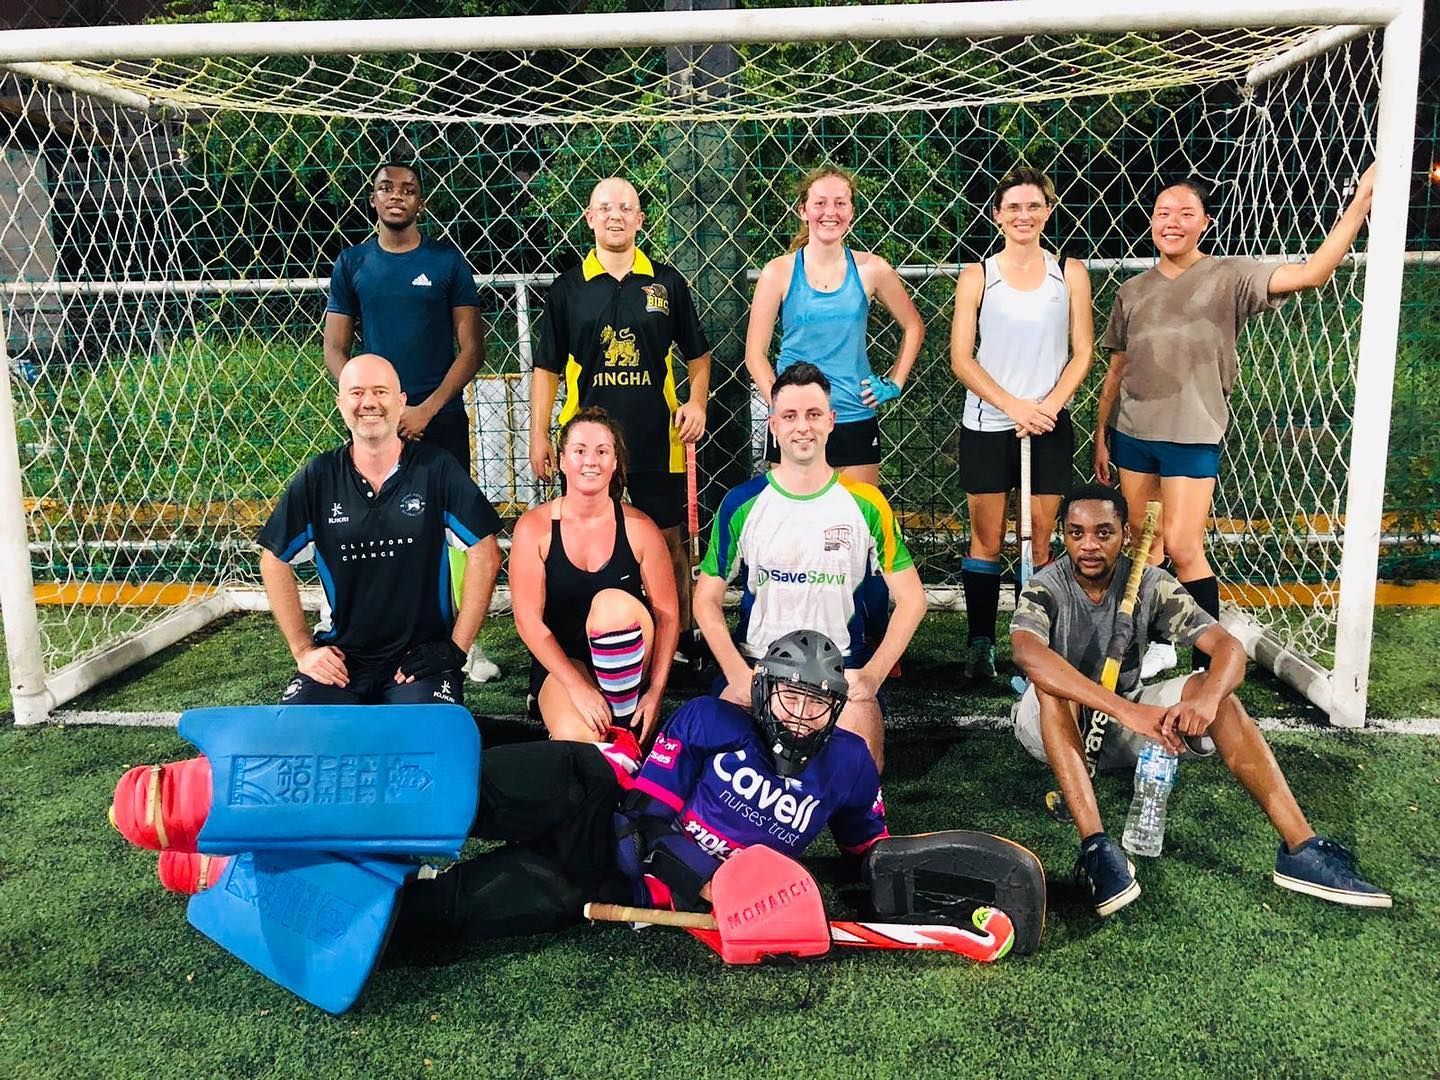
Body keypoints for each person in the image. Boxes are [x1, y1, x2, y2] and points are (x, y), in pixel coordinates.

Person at [1010, 484, 1391, 916]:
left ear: (1125, 535)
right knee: (1051, 682)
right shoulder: (1046, 586)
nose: (1090, 545)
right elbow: (1028, 653)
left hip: (1124, 723)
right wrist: (1127, 710)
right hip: (1051, 726)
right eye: (1077, 533)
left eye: (1103, 532)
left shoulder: (1151, 583)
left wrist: (1208, 700)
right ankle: (1097, 851)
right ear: (1064, 535)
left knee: (1220, 696)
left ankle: (1300, 848)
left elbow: (1227, 647)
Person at [391, 630, 888, 942]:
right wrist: (709, 882)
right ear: (763, 691)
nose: (799, 717)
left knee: (460, 911)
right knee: (485, 790)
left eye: (815, 704)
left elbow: (870, 851)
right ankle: (387, 794)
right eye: (788, 697)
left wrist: (908, 886)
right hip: (602, 797)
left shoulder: (849, 765)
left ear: (835, 709)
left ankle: (378, 916)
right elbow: (645, 817)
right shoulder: (710, 719)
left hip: (610, 878)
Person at [1093, 166, 1375, 674]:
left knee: (1182, 545)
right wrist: (1101, 434)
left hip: (1192, 433)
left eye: (1185, 213)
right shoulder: (1133, 290)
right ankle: (1156, 644)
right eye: (1162, 214)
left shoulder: (1232, 275)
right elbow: (1116, 370)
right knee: (1143, 546)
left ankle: (1209, 657)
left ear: (1205, 222)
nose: (1171, 222)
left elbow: (1312, 274)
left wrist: (1361, 202)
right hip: (1133, 434)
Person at [692, 363, 927, 772]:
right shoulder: (741, 503)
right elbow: (705, 601)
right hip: (759, 667)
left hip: (839, 675)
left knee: (863, 772)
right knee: (713, 770)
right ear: (774, 425)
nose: (803, 427)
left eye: (814, 415)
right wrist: (735, 673)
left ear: (832, 421)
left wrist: (871, 677)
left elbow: (913, 600)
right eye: (790, 416)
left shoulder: (866, 503)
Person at [323, 160, 501, 682]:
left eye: (408, 189)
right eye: (385, 188)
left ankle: (468, 644)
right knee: (373, 524)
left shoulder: (446, 262)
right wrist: (373, 402)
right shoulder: (353, 263)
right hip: (379, 425)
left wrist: (425, 408)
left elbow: (472, 349)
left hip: (440, 417)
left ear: (420, 202)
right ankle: (366, 630)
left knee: (458, 532)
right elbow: (336, 348)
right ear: (373, 200)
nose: (396, 196)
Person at [528, 177, 712, 664]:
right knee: (579, 539)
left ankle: (683, 642)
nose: (615, 215)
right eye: (605, 207)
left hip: (657, 434)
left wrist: (697, 404)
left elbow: (698, 357)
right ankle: (580, 637)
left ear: (639, 219)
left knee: (670, 537)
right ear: (590, 218)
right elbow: (546, 368)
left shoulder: (666, 282)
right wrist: (538, 436)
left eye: (626, 207)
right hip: (589, 443)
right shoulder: (569, 287)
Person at [258, 354, 502, 706]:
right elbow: (273, 559)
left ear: (401, 401)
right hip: (340, 659)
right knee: (297, 743)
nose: (369, 402)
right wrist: (303, 650)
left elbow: (486, 553)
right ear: (340, 404)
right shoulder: (319, 476)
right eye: (356, 393)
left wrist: (455, 648)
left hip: (418, 661)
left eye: (380, 392)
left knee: (422, 746)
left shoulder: (436, 469)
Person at [950, 166, 1095, 680]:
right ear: (998, 215)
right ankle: (981, 644)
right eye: (1013, 207)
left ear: (1048, 212)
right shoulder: (978, 275)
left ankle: (1033, 640)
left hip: (1049, 423)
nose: (1023, 215)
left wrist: (1049, 406)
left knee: (1040, 535)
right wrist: (1013, 406)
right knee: (987, 537)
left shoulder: (1069, 271)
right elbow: (961, 359)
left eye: (1033, 206)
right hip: (990, 422)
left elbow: (1083, 353)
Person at [745, 163, 924, 488]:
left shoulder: (872, 269)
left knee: (857, 524)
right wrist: (782, 401)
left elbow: (913, 326)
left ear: (852, 212)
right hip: (796, 422)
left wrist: (895, 382)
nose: (830, 212)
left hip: (852, 413)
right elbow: (755, 353)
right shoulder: (778, 272)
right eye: (820, 203)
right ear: (803, 210)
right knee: (794, 526)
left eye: (840, 203)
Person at [509, 407, 680, 745]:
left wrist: (656, 691)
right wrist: (577, 687)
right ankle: (612, 744)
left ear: (615, 462)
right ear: (561, 460)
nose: (591, 461)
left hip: (628, 663)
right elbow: (528, 622)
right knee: (579, 740)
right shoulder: (534, 529)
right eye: (579, 451)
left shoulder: (640, 528)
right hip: (564, 662)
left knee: (610, 605)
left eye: (602, 451)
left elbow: (668, 615)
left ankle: (624, 724)